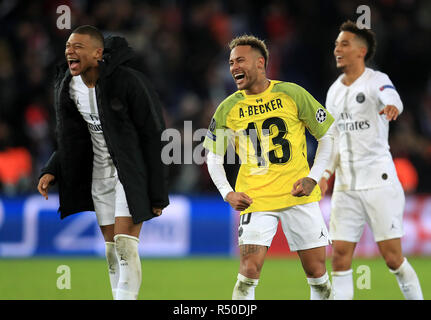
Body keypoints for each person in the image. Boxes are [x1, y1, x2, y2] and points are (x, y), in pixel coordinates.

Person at [37, 25, 169, 300]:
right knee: (111, 250)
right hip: (99, 175)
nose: (69, 51)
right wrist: (52, 168)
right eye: (67, 47)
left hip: (130, 173)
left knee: (124, 245)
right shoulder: (69, 88)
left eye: (78, 47)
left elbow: (153, 135)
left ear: (98, 53)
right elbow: (73, 138)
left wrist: (157, 193)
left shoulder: (128, 83)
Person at [203, 35, 336, 300]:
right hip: (256, 199)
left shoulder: (292, 93)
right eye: (231, 62)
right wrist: (227, 192)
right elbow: (213, 157)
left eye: (240, 60)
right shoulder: (228, 107)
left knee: (319, 277)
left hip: (299, 195)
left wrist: (313, 177)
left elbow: (329, 136)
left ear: (260, 63)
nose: (233, 67)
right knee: (247, 275)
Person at [319, 21, 423, 300]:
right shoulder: (333, 92)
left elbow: (392, 95)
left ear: (361, 51)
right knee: (339, 258)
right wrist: (325, 174)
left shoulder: (376, 80)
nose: (337, 49)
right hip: (345, 187)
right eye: (336, 44)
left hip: (378, 181)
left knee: (392, 258)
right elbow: (333, 139)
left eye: (345, 44)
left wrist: (392, 106)